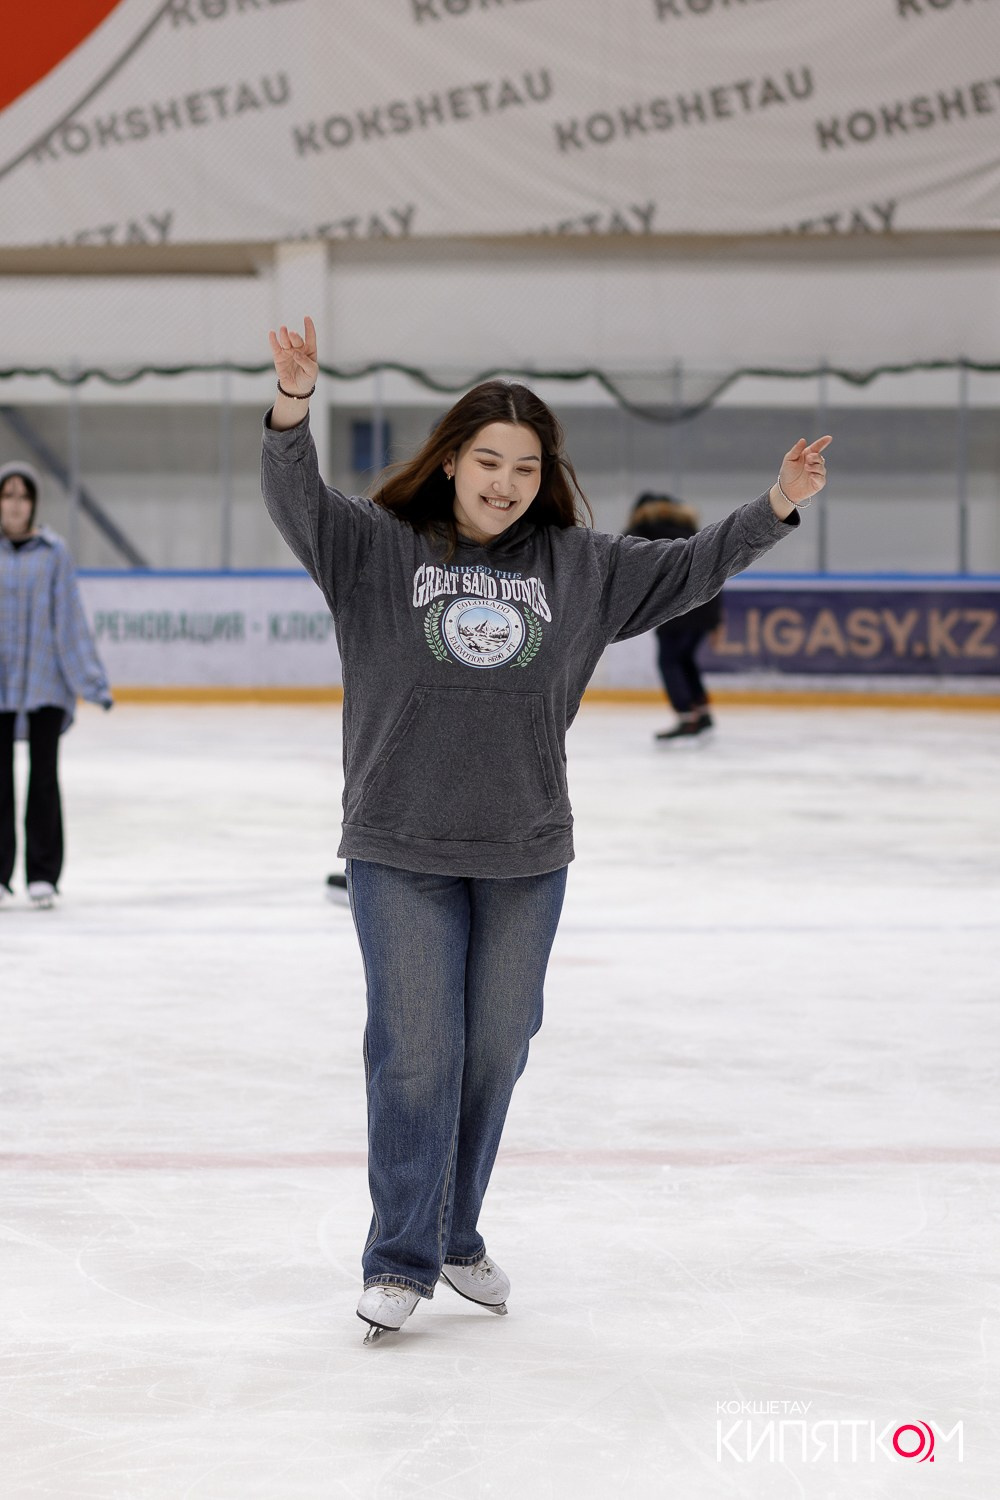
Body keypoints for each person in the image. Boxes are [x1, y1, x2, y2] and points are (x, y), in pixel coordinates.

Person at [261, 317, 831, 1343]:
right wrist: (293, 406)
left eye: (526, 467)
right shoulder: (375, 548)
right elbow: (294, 496)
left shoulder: (582, 568)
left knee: (494, 1052)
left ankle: (455, 1233)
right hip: (399, 846)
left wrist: (776, 505)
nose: (506, 482)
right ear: (450, 461)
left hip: (525, 853)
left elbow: (691, 566)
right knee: (416, 1056)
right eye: (489, 461)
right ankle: (400, 1258)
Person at [0, 461, 112, 909]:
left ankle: (42, 874)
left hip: (45, 680)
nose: (15, 504)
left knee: (44, 776)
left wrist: (91, 681)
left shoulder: (53, 552)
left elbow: (69, 620)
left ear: (34, 504)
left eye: (23, 495)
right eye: (7, 494)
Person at [626, 492, 723, 742]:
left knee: (669, 661)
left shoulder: (644, 530)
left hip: (676, 607)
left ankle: (687, 716)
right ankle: (701, 711)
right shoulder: (689, 529)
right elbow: (715, 568)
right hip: (704, 604)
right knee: (684, 659)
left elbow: (626, 564)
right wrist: (715, 618)